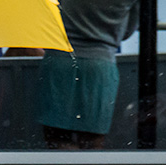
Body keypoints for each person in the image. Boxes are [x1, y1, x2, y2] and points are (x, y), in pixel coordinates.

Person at [37, 0, 139, 150]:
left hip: (60, 60)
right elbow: (128, 30)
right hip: (100, 65)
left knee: (57, 139)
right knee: (93, 140)